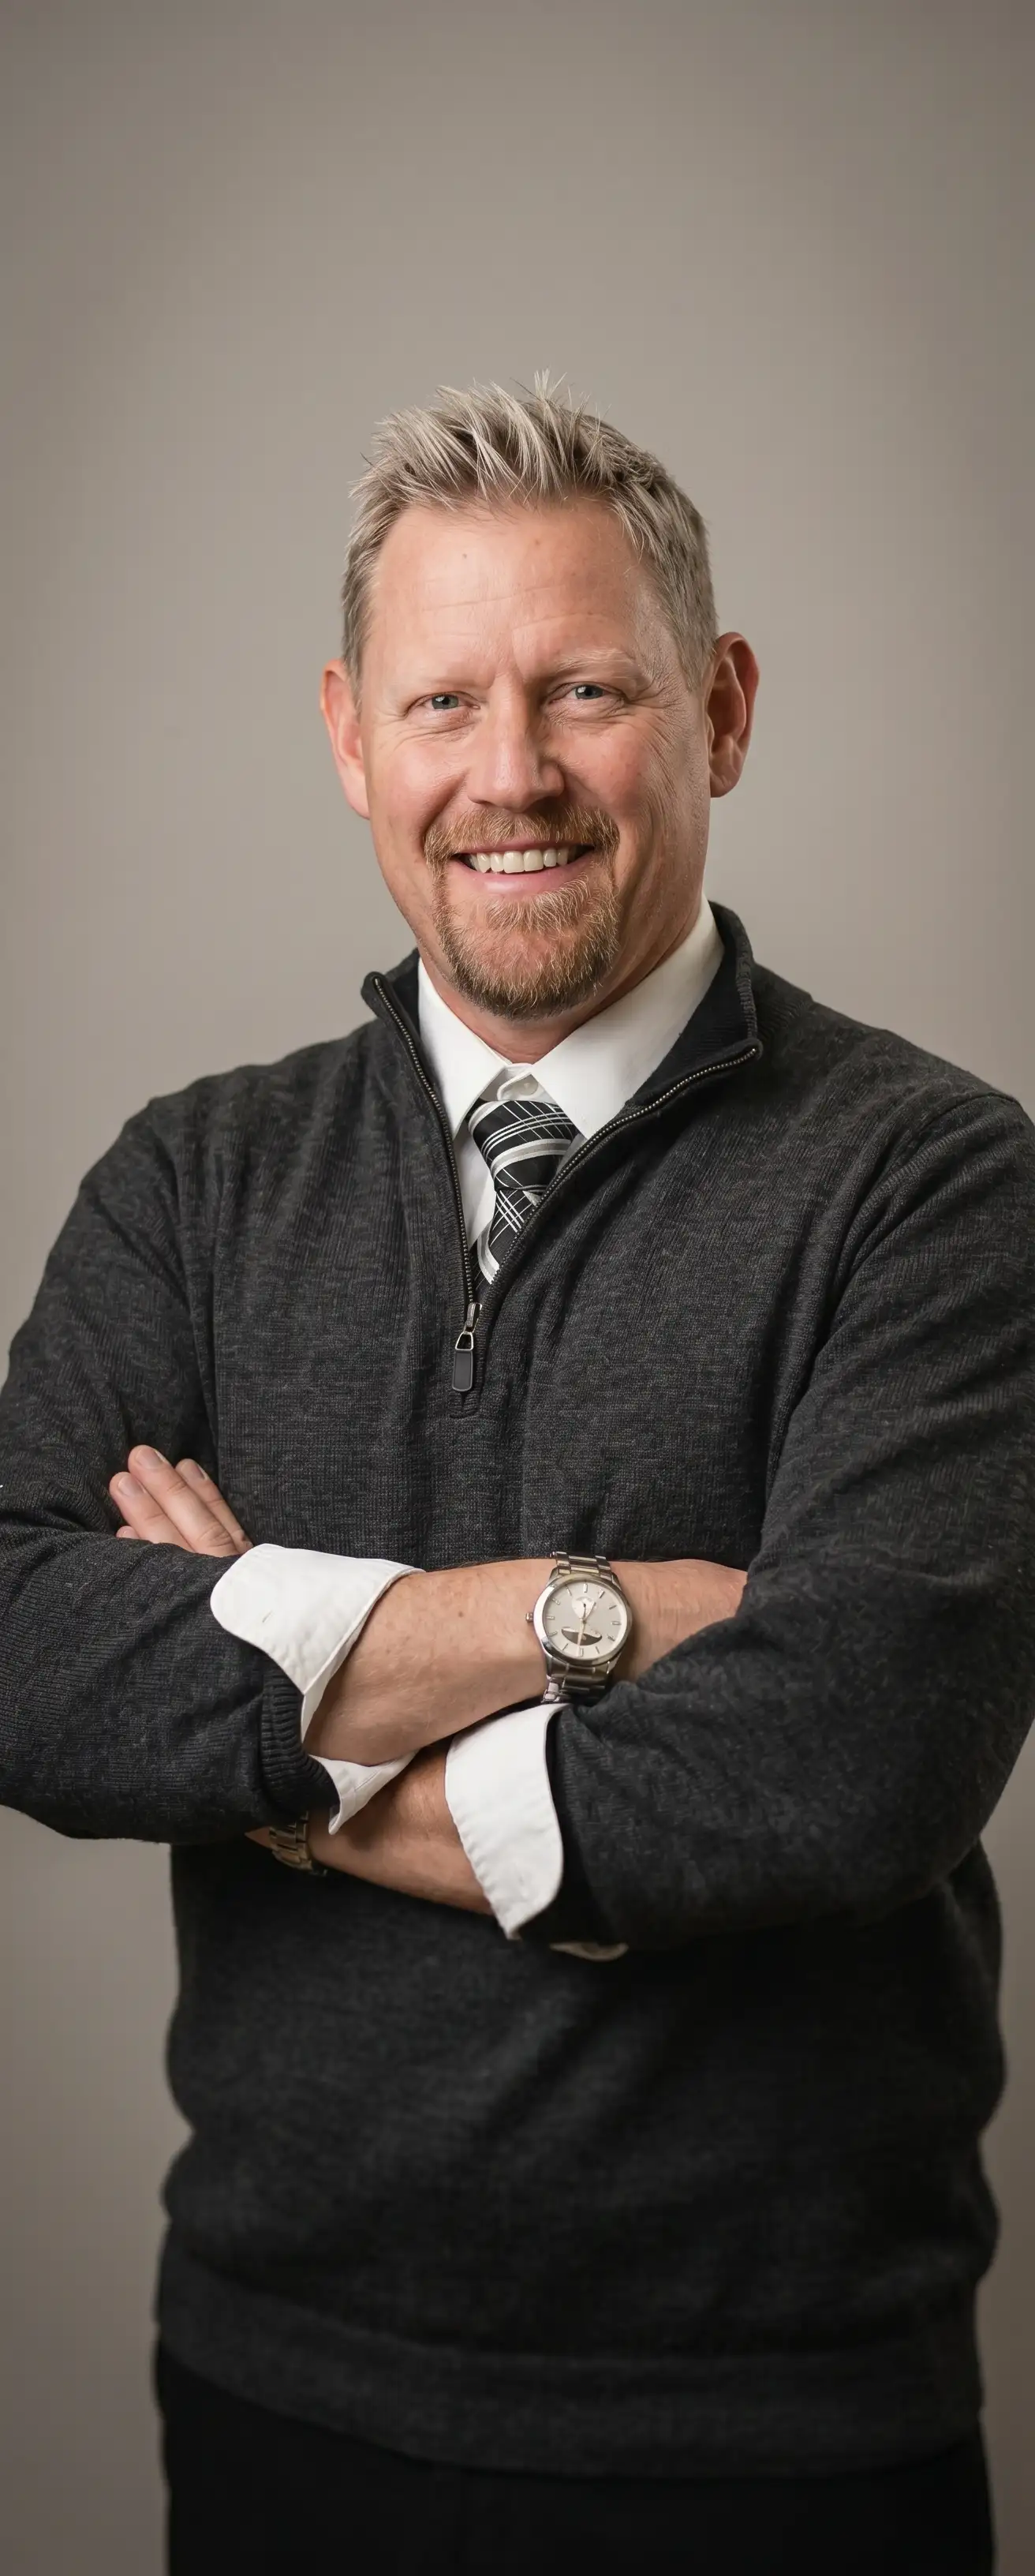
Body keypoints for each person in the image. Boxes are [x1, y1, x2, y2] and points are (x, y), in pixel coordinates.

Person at [0, 381, 1030, 2576]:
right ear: (349, 738)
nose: (513, 776)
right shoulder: (196, 1183)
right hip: (281, 2393)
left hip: (785, 2438)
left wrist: (270, 1708)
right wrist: (598, 1614)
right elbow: (18, 1652)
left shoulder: (941, 1190)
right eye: (443, 702)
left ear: (721, 706)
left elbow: (858, 1753)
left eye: (586, 691)